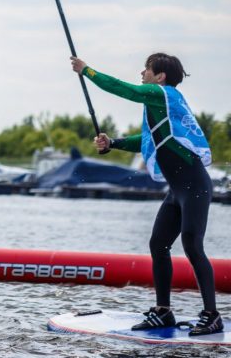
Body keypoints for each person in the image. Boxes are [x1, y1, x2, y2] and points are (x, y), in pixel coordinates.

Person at [70, 53, 223, 336]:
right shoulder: (161, 105)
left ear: (160, 76)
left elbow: (124, 89)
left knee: (192, 246)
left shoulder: (160, 93)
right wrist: (113, 142)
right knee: (158, 245)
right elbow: (147, 141)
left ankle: (212, 315)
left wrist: (87, 71)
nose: (142, 73)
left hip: (195, 186)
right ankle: (163, 312)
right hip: (178, 191)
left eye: (147, 69)